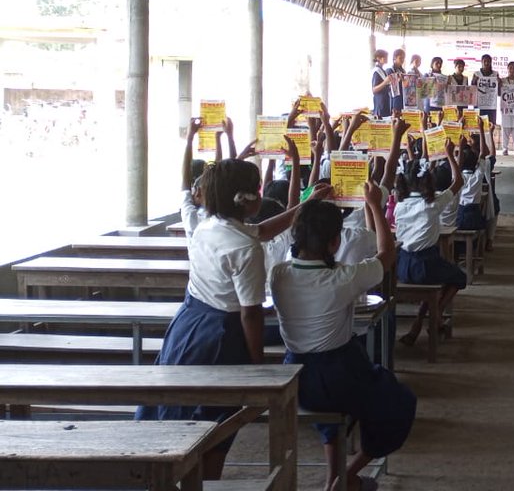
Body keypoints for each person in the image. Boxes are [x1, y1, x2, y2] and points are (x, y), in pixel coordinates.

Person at [139, 158, 330, 480]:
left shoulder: (207, 223)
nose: (260, 193)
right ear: (247, 199)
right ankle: (202, 481)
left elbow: (265, 230)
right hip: (221, 336)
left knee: (181, 409)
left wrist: (306, 204)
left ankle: (172, 476)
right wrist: (257, 367)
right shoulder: (244, 248)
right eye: (258, 189)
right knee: (216, 423)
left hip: (189, 323)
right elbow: (251, 313)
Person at [268, 184, 415, 491]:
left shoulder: (279, 275)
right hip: (339, 372)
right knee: (400, 403)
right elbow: (387, 254)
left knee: (334, 418)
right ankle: (348, 474)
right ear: (335, 242)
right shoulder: (342, 279)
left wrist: (307, 204)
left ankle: (333, 479)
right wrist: (374, 204)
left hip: (294, 373)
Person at [389, 128, 467, 346]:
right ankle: (437, 314)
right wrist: (451, 154)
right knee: (459, 278)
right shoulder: (433, 203)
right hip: (425, 264)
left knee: (437, 278)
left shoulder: (400, 205)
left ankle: (418, 324)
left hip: (403, 265)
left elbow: (413, 173)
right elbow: (458, 182)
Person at [471, 54, 500, 126]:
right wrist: (474, 82)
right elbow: (471, 91)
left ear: (491, 62)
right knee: (478, 127)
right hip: (479, 105)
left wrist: (499, 83)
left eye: (488, 61)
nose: (487, 63)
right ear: (481, 62)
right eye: (485, 61)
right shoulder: (476, 74)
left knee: (490, 126)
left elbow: (499, 92)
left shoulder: (495, 74)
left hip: (491, 106)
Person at [370, 49, 391, 119]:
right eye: (384, 57)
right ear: (378, 58)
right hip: (380, 103)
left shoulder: (383, 71)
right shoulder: (376, 71)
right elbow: (374, 90)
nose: (386, 58)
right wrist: (385, 82)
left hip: (386, 101)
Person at [388, 49, 406, 114]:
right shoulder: (390, 70)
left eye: (403, 58)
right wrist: (398, 80)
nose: (402, 60)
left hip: (403, 98)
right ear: (394, 58)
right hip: (394, 99)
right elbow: (389, 86)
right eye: (400, 58)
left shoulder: (403, 71)